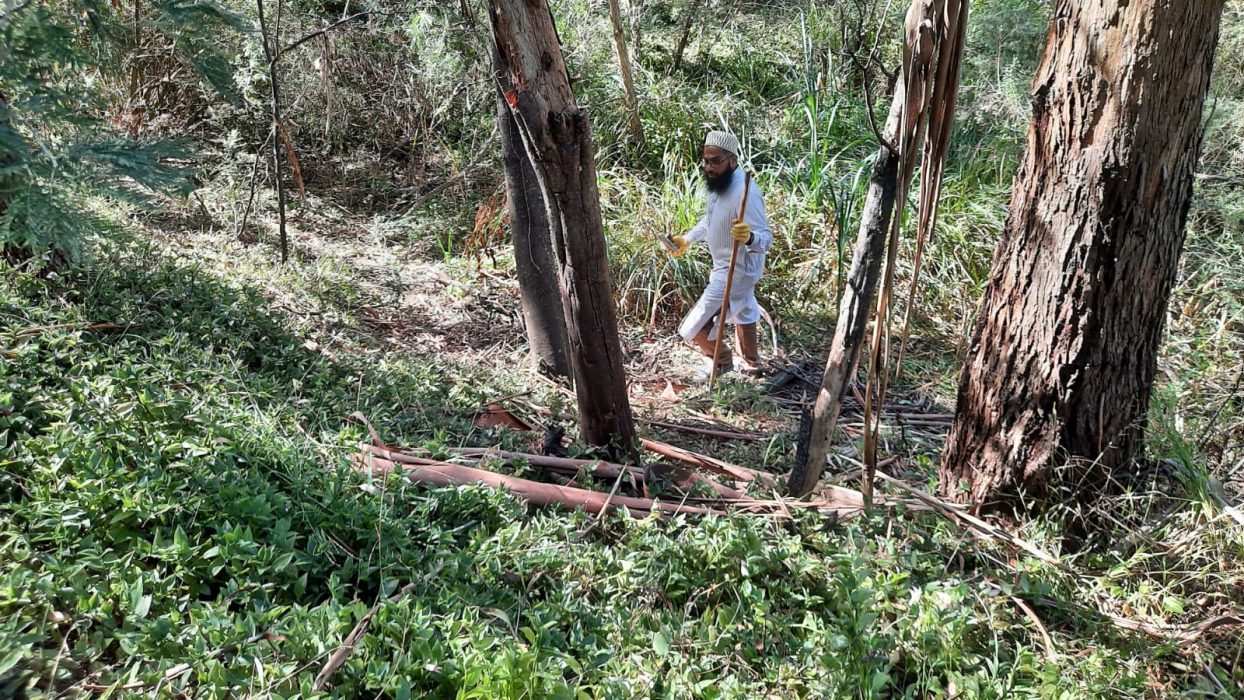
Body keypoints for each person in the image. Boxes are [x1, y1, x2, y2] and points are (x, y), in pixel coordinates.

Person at [668, 130, 772, 382]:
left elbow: (765, 238)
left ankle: (722, 361)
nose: (708, 167)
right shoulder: (717, 186)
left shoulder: (747, 192)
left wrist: (749, 238)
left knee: (690, 328)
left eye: (715, 161)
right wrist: (687, 239)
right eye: (705, 160)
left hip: (738, 269)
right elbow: (710, 220)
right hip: (723, 265)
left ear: (732, 161)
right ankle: (751, 363)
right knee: (746, 309)